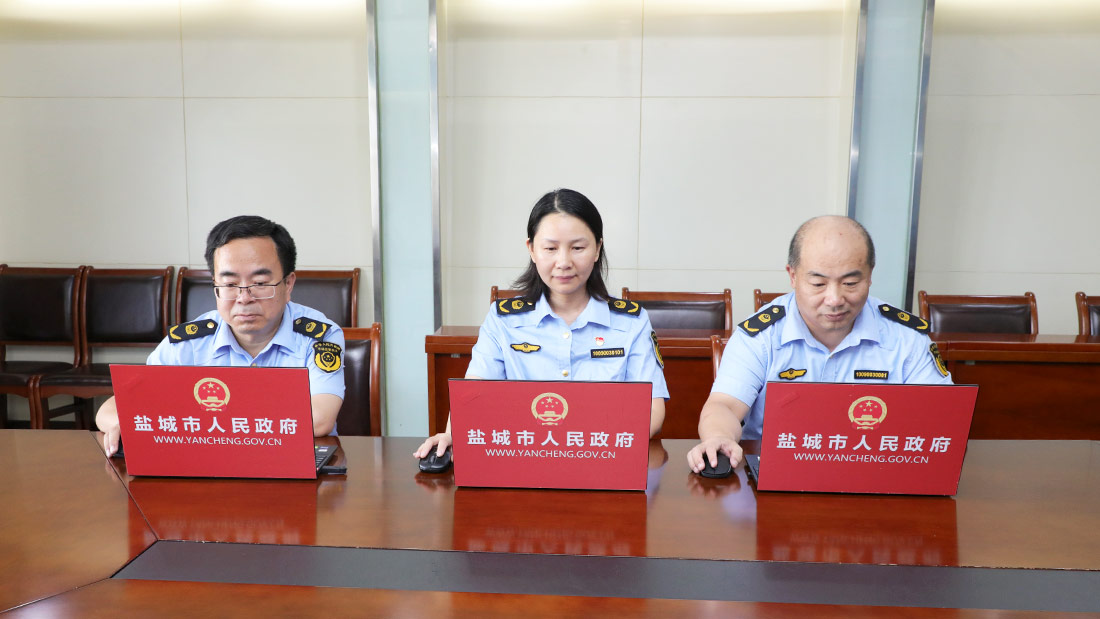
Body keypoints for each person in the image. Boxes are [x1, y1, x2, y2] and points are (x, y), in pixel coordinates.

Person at [414, 188, 669, 460]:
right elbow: (474, 394)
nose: (564, 262)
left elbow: (653, 409)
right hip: (522, 461)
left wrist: (590, 444)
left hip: (604, 460)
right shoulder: (503, 320)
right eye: (550, 248)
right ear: (532, 250)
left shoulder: (631, 322)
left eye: (578, 248)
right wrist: (452, 434)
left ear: (597, 249)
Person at [687, 215, 952, 474]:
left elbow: (942, 414)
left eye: (850, 283)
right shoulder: (760, 336)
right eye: (818, 283)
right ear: (792, 276)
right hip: (776, 475)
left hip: (878, 472)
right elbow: (724, 406)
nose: (835, 299)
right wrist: (719, 437)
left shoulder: (906, 338)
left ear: (870, 275)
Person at [95, 215, 345, 456]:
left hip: (294, 464)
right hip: (204, 465)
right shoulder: (189, 343)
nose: (244, 298)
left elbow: (319, 419)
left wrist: (208, 423)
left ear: (288, 284)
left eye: (260, 283)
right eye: (229, 284)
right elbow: (109, 410)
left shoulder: (320, 337)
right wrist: (125, 423)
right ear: (215, 285)